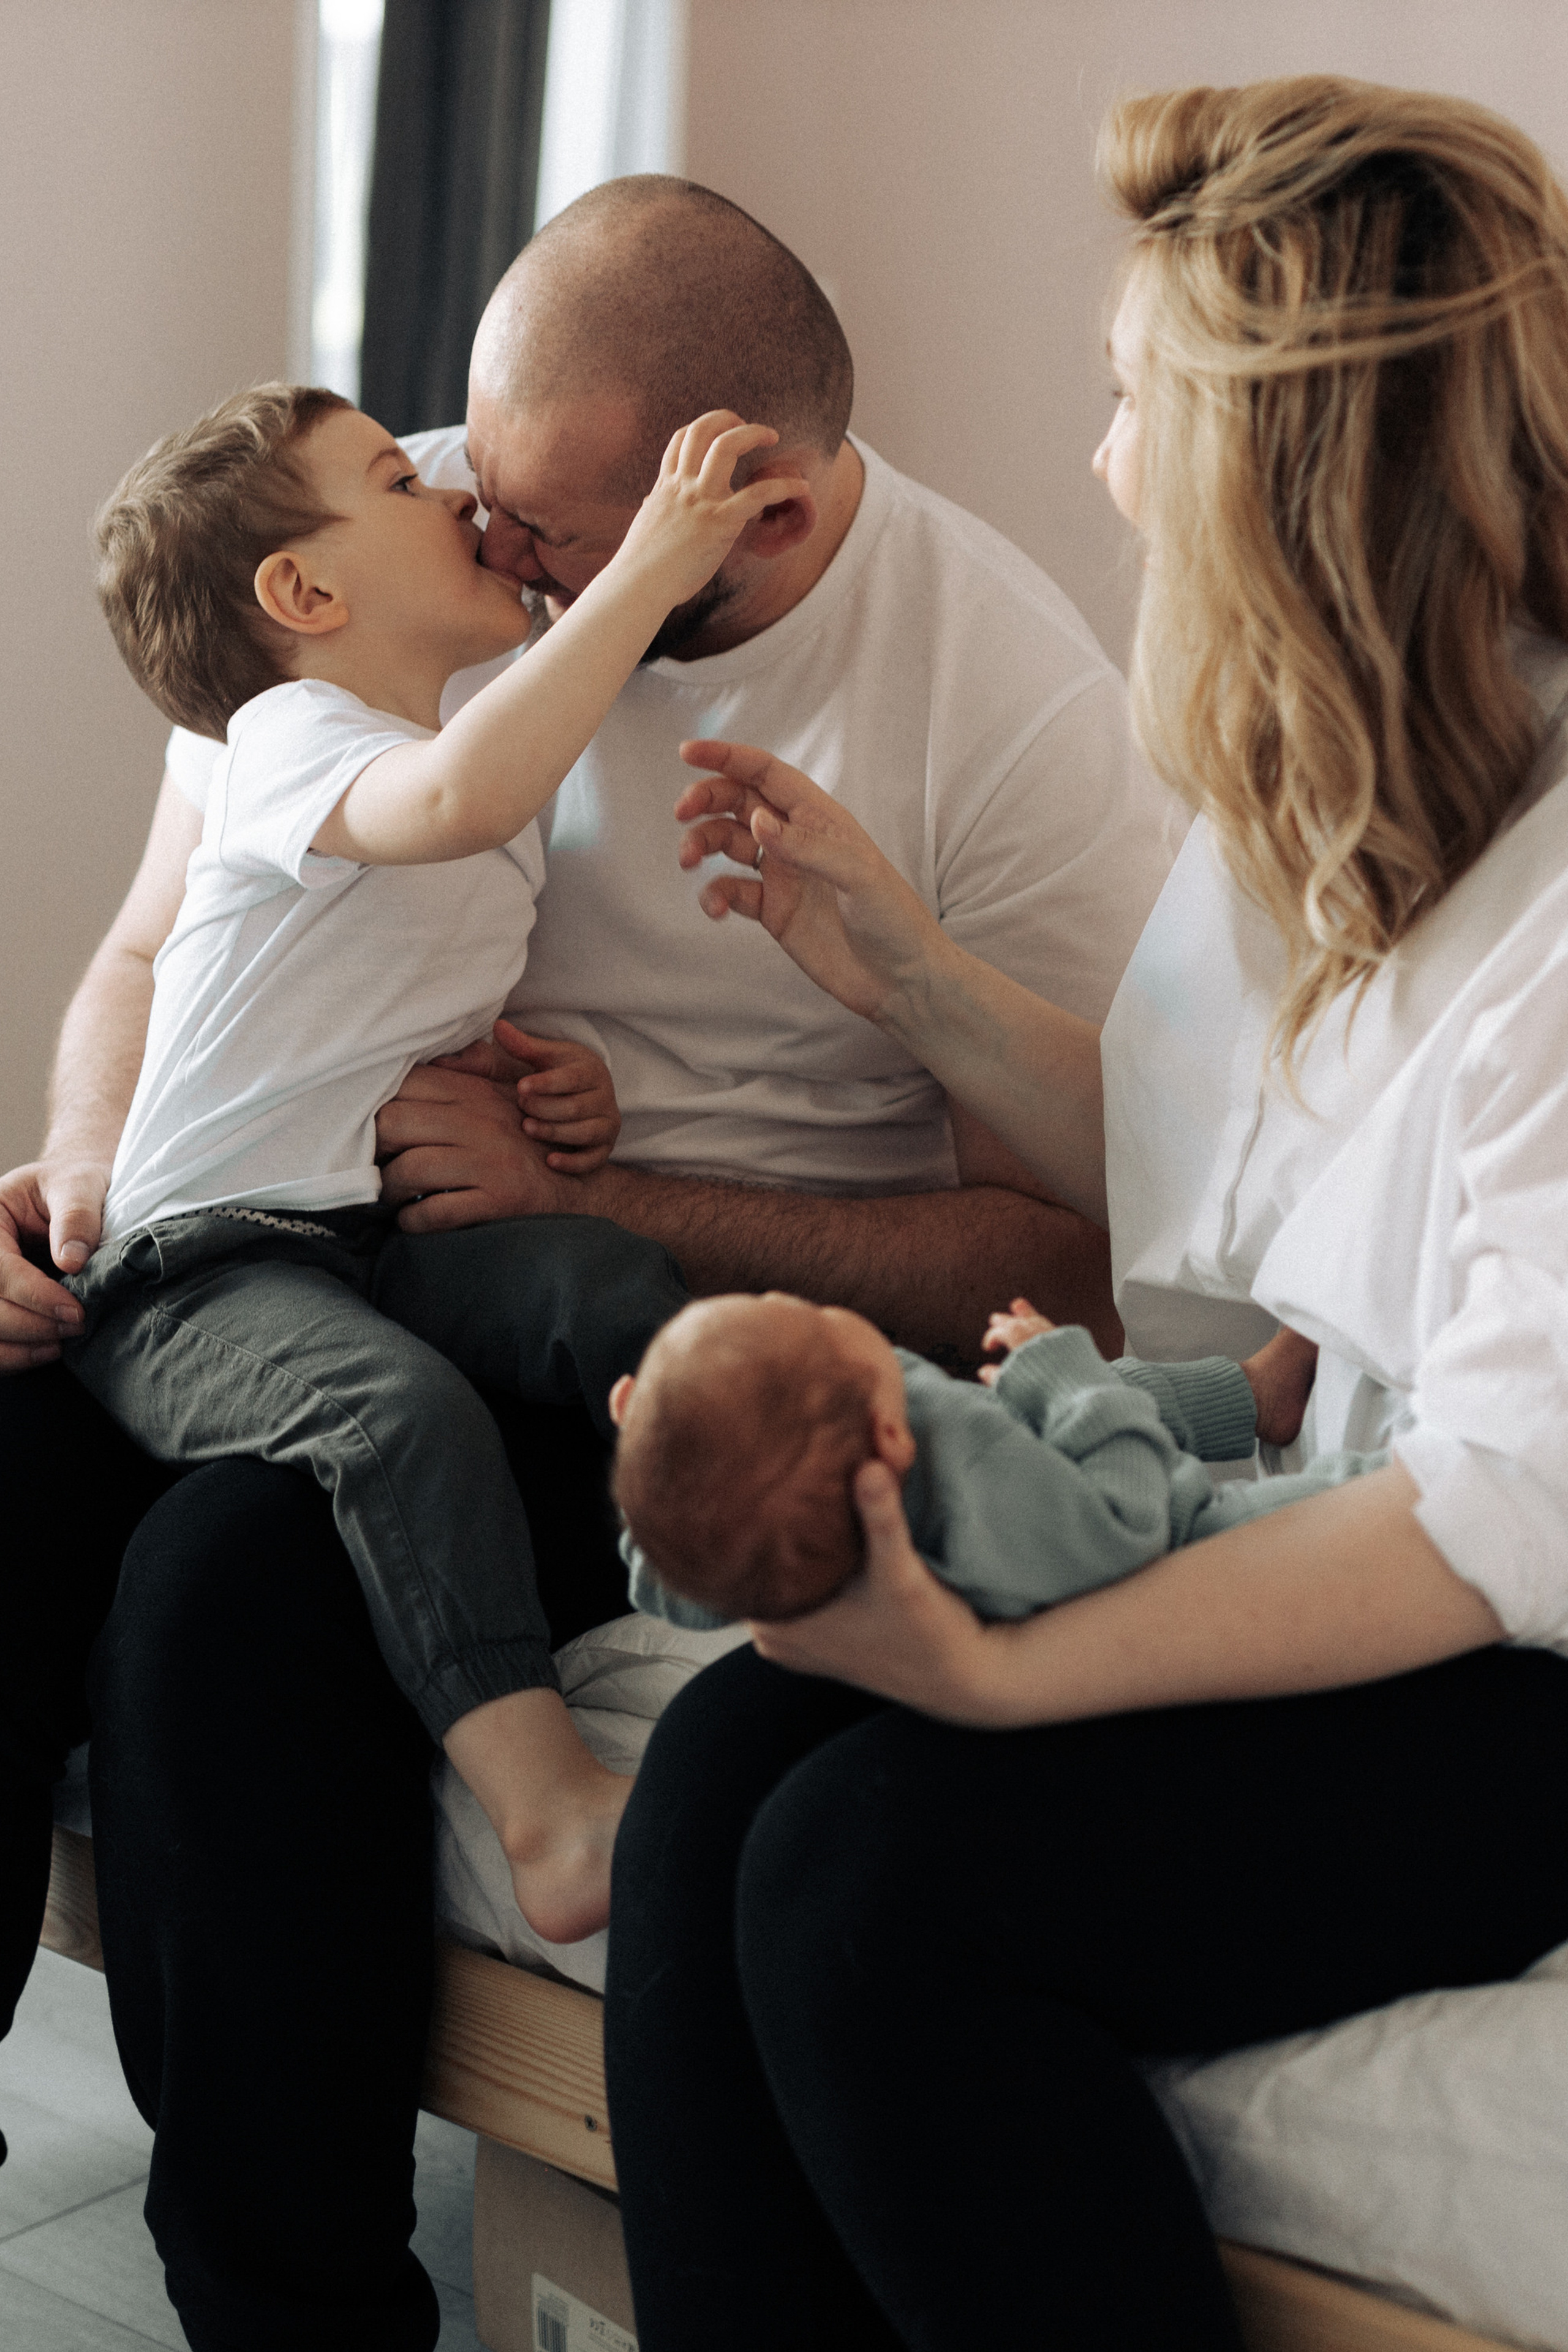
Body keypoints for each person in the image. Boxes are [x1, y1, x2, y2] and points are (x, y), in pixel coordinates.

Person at [0, 177, 1176, 2348]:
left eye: (557, 532)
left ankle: (293, 2312)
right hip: (269, 1237)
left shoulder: (1001, 704)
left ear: (764, 522)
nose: (497, 550)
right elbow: (157, 947)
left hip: (601, 1325)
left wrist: (600, 1209)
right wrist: (74, 1170)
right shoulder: (418, 538)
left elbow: (1084, 1261)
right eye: (471, 483)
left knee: (226, 1600)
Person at [601, 81, 1568, 2350]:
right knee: (722, 1769)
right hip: (1346, 1522)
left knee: (866, 1894)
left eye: (1132, 402)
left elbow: (1496, 1517)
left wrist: (993, 1666)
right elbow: (1227, 1170)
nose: (1102, 461)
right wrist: (908, 977)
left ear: (1275, 494)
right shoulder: (1335, 776)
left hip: (1516, 1654)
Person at [69, 391, 788, 1939]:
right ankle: (549, 1808)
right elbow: (463, 795)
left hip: (359, 1235)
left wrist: (556, 1088)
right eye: (400, 481)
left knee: (598, 1285)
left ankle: (757, 1572)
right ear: (304, 597)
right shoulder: (279, 741)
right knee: (393, 1415)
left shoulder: (433, 760)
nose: (455, 495)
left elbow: (398, 1002)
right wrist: (639, 572)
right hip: (198, 1271)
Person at [613, 1297, 1347, 1626]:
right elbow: (1130, 1525)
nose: (816, 1306)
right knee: (1090, 1400)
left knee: (1093, 1396)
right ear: (890, 1439)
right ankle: (1409, 1464)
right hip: (1173, 1554)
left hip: (1059, 1520)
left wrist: (653, 1459)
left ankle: (1255, 1394)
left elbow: (672, 1580)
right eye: (813, 1321)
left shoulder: (748, 1550)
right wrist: (1059, 1367)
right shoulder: (978, 1473)